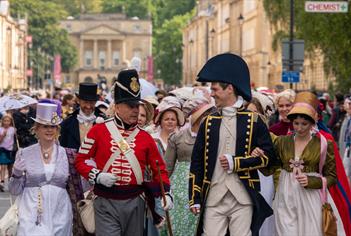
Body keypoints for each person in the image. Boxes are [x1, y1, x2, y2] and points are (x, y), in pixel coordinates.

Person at [75, 69, 173, 236]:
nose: (135, 110)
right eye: (130, 105)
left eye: (137, 105)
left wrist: (167, 193)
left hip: (135, 202)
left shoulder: (146, 138)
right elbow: (80, 160)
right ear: (117, 106)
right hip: (105, 201)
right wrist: (96, 175)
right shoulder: (98, 131)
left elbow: (159, 169)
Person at [189, 53, 277, 236]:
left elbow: (270, 157)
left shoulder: (254, 121)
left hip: (243, 197)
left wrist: (238, 162)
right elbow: (197, 162)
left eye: (215, 89)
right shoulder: (208, 121)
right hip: (214, 196)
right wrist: (195, 197)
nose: (211, 94)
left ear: (229, 88)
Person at [253, 91, 342, 235]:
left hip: (311, 198)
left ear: (313, 122)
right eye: (296, 123)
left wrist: (312, 180)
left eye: (304, 124)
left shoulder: (324, 144)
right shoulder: (282, 142)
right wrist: (260, 157)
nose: (299, 128)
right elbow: (270, 169)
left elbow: (332, 177)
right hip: (285, 197)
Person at [8, 103, 72, 235]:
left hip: (60, 212)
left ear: (57, 129)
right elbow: (14, 190)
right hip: (31, 213)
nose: (49, 130)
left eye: (53, 126)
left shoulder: (67, 154)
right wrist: (16, 174)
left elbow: (78, 185)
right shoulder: (24, 153)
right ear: (36, 129)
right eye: (45, 126)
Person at [165, 92, 216, 235]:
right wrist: (163, 191)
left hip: (205, 184)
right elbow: (167, 167)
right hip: (180, 187)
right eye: (204, 113)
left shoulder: (214, 137)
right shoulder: (177, 137)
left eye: (208, 113)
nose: (207, 116)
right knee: (180, 226)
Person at [59, 82, 105, 236]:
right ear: (78, 101)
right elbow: (62, 148)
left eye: (91, 102)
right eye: (85, 102)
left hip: (97, 174)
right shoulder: (67, 123)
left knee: (96, 214)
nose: (88, 106)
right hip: (74, 173)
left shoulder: (105, 121)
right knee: (77, 210)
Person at [0, 114, 16, 184]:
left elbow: (15, 139)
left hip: (11, 149)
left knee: (10, 166)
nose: (6, 122)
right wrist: (3, 136)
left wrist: (16, 134)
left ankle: (10, 180)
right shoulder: (0, 129)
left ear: (11, 122)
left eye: (8, 121)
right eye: (5, 121)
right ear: (2, 121)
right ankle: (2, 181)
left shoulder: (13, 129)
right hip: (2, 149)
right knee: (3, 165)